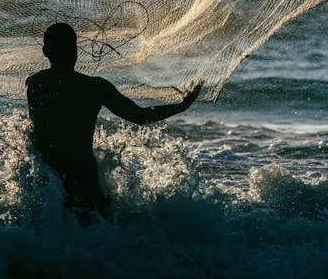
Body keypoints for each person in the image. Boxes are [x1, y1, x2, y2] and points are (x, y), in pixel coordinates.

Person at [26, 23, 201, 222]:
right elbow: (140, 116)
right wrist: (181, 106)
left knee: (45, 233)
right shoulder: (95, 88)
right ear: (75, 51)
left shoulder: (35, 84)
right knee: (96, 235)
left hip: (46, 179)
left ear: (46, 52)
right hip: (82, 176)